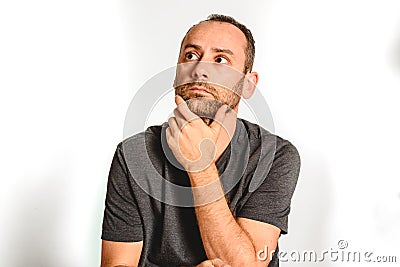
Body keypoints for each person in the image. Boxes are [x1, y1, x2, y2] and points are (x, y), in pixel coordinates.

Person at [101, 14, 300, 267]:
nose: (199, 69)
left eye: (220, 60)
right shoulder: (133, 155)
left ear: (248, 85)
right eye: (191, 56)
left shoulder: (274, 156)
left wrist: (201, 167)